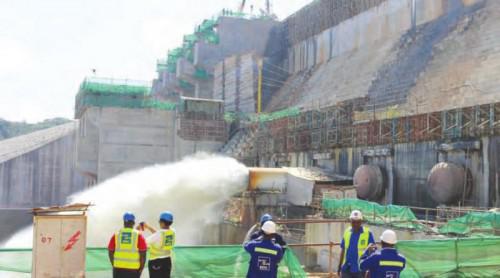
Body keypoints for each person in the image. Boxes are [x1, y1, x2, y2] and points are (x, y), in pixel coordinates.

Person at [108, 212, 147, 278]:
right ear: (133, 223)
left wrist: (114, 264)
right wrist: (141, 269)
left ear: (124, 222)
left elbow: (110, 251)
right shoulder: (138, 235)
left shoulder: (116, 235)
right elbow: (143, 255)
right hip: (133, 270)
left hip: (118, 269)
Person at [337, 210, 375, 278]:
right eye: (353, 222)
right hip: (346, 269)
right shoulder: (347, 232)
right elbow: (343, 250)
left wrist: (370, 269)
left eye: (358, 222)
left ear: (361, 221)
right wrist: (339, 266)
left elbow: (373, 252)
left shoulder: (368, 233)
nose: (355, 224)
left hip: (360, 271)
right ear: (350, 221)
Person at [140, 211, 176, 278]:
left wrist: (137, 230)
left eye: (159, 221)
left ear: (162, 222)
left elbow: (142, 242)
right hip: (167, 261)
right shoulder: (172, 231)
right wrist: (148, 227)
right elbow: (159, 234)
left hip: (156, 262)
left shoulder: (158, 235)